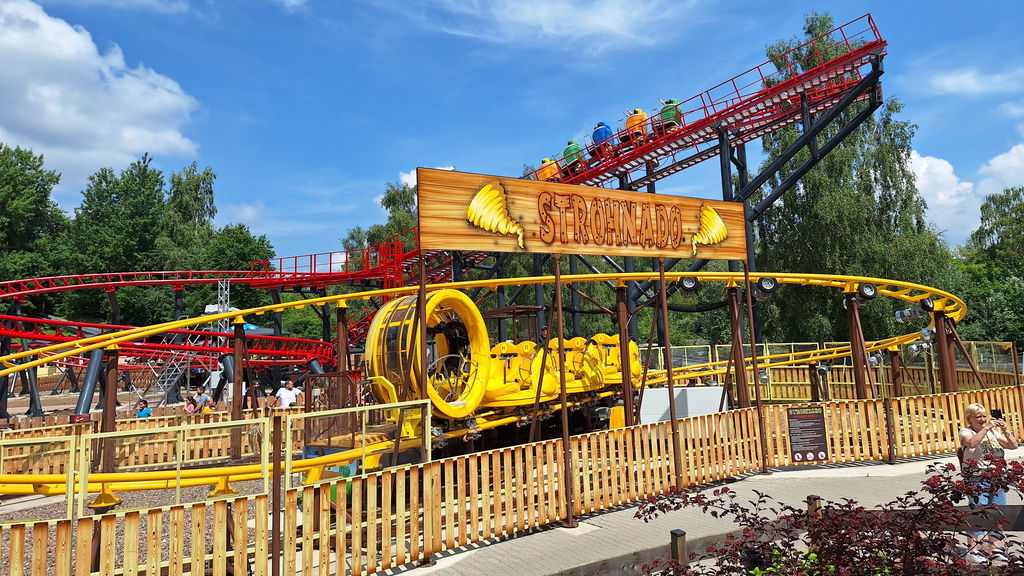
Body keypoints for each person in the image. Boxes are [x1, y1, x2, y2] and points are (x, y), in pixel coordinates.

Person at [959, 403, 1018, 563]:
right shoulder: (966, 432)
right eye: (978, 416)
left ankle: (994, 548)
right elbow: (971, 443)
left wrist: (1005, 430)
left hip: (997, 479)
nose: (983, 419)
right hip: (976, 479)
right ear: (970, 419)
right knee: (978, 513)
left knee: (998, 513)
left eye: (984, 416)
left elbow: (1013, 446)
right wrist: (986, 428)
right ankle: (972, 551)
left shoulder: (992, 432)